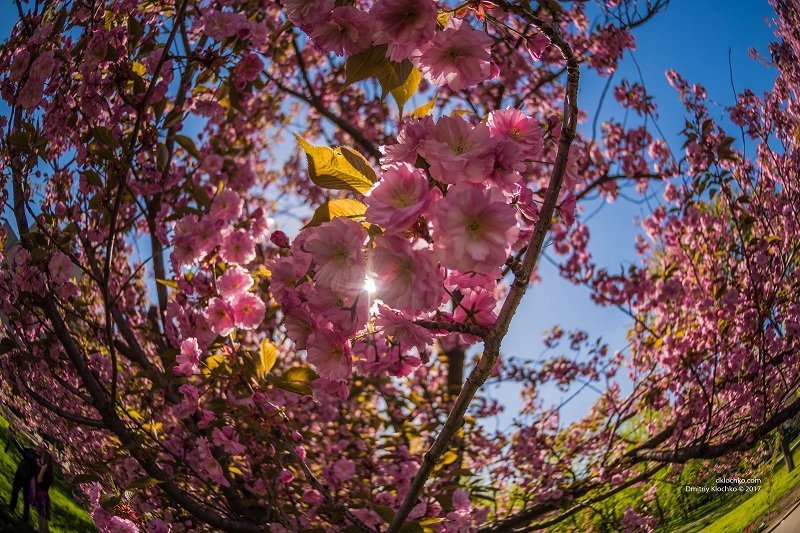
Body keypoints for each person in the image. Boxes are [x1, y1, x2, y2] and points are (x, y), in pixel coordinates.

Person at [5, 427, 38, 522]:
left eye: (41, 446)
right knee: (14, 490)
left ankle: (25, 517)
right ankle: (12, 506)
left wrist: (14, 440)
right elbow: (22, 448)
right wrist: (13, 438)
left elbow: (23, 453)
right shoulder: (32, 450)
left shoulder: (38, 459)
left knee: (25, 497)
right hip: (20, 473)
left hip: (27, 478)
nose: (38, 446)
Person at [31, 448, 54, 533]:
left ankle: (44, 531)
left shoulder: (47, 472)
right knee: (39, 515)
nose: (40, 458)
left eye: (42, 457)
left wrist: (42, 470)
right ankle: (40, 530)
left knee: (44, 518)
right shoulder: (43, 469)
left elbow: (39, 480)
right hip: (39, 496)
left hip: (43, 498)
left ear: (45, 459)